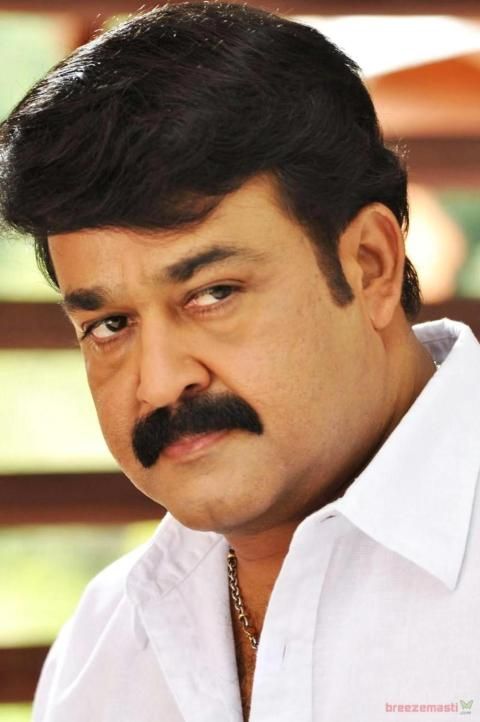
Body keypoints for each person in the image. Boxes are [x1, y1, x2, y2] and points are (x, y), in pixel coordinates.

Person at [1, 3, 479, 721]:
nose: (160, 381)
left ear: (370, 265)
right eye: (109, 325)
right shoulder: (103, 649)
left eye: (212, 294)